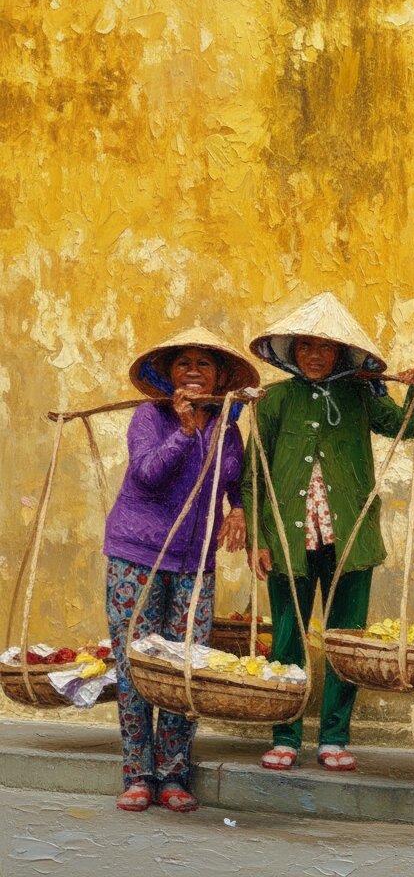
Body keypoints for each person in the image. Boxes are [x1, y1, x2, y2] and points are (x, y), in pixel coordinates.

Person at [244, 292, 414, 772]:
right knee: (287, 638)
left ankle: (333, 737)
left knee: (344, 643)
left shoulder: (360, 394)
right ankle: (285, 734)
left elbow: (403, 428)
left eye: (324, 348)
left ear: (341, 355)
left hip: (350, 539)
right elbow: (254, 474)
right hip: (290, 539)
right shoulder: (275, 400)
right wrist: (258, 539)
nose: (313, 356)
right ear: (292, 352)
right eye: (305, 347)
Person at [103, 328, 259, 813]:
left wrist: (237, 510)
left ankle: (173, 774)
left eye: (204, 365)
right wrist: (184, 429)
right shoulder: (148, 417)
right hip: (137, 556)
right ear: (169, 375)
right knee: (135, 665)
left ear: (218, 377)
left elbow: (235, 479)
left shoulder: (228, 429)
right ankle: (137, 774)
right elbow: (147, 474)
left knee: (184, 669)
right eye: (183, 363)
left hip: (195, 563)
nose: (193, 371)